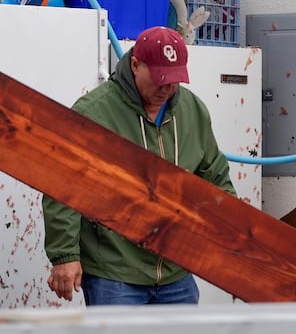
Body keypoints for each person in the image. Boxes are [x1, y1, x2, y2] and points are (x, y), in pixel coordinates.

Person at [42, 26, 235, 305]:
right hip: (115, 270)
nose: (167, 89)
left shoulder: (194, 111)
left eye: (174, 81)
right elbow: (63, 185)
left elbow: (215, 177)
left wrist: (237, 244)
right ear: (135, 65)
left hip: (176, 270)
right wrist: (65, 256)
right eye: (159, 80)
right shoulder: (93, 112)